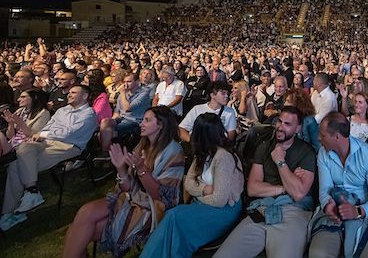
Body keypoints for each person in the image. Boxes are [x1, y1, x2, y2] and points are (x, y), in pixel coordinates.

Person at [62, 106, 185, 258]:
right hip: (130, 199)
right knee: (85, 213)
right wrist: (120, 168)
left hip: (152, 209)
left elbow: (162, 197)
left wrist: (141, 169)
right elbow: (126, 188)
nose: (141, 124)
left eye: (147, 120)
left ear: (160, 125)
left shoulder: (173, 152)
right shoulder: (142, 146)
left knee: (79, 231)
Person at [214, 106, 316, 258]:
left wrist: (280, 162)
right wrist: (285, 187)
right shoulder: (264, 147)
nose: (280, 127)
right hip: (263, 208)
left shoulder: (306, 151)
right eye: (279, 122)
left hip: (293, 211)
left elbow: (299, 193)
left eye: (287, 124)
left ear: (298, 128)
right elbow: (253, 189)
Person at [140, 113, 244, 258]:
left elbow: (219, 200)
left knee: (175, 216)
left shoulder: (223, 157)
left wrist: (198, 193)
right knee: (174, 219)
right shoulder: (203, 153)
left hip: (223, 212)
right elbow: (188, 183)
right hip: (205, 205)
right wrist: (204, 189)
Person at [0, 85, 97, 230]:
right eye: (69, 92)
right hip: (47, 142)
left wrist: (46, 134)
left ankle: (12, 212)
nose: (69, 95)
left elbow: (67, 134)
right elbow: (47, 128)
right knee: (25, 148)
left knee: (16, 166)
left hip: (69, 147)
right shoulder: (62, 110)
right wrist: (46, 134)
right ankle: (31, 192)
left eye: (74, 92)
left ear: (84, 96)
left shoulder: (88, 114)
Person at [308, 112, 368, 258]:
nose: (319, 139)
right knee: (318, 254)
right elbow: (325, 189)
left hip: (367, 210)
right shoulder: (323, 153)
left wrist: (357, 211)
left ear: (337, 137)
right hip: (336, 208)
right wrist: (327, 204)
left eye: (323, 135)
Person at [99, 72, 153, 151]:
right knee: (105, 122)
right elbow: (117, 111)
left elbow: (127, 108)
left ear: (137, 82)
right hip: (121, 118)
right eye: (124, 82)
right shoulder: (123, 93)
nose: (126, 84)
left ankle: (106, 151)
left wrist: (123, 93)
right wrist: (112, 121)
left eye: (129, 81)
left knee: (107, 132)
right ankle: (107, 150)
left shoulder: (143, 93)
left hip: (135, 121)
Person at [0, 88, 50, 165]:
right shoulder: (20, 111)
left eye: (23, 97)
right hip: (12, 144)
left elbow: (34, 135)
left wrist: (20, 123)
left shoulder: (43, 113)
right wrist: (11, 123)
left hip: (26, 146)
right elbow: (10, 136)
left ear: (35, 98)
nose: (18, 99)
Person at [283, 88, 319, 152]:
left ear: (298, 104)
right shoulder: (285, 120)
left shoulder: (309, 121)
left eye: (288, 101)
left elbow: (317, 146)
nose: (285, 104)